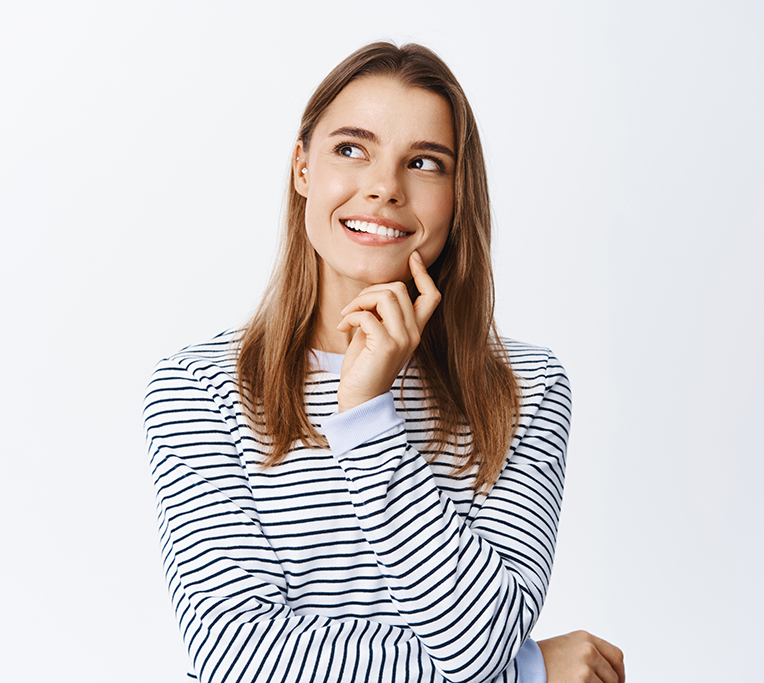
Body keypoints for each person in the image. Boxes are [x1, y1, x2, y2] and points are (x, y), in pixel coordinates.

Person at [144, 42, 624, 683]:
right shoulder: (197, 388)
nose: (384, 188)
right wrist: (528, 672)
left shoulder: (524, 388)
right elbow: (239, 661)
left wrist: (367, 415)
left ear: (458, 196)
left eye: (425, 163)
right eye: (351, 149)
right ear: (302, 169)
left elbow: (478, 646)